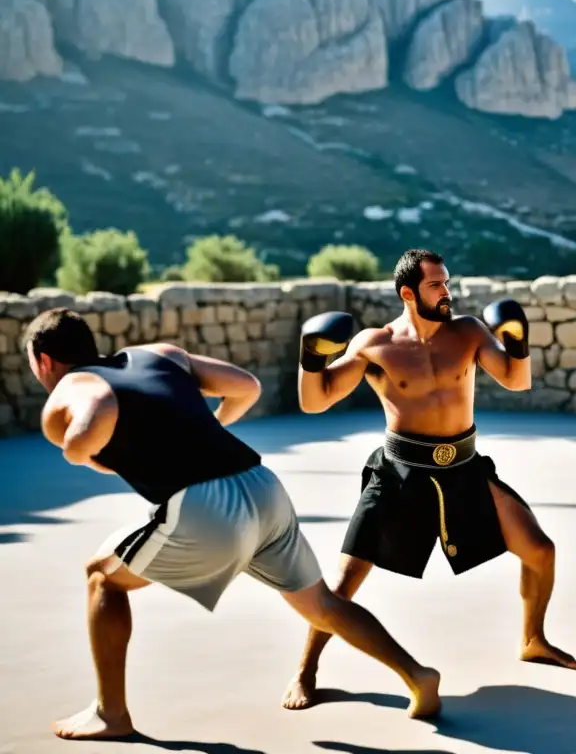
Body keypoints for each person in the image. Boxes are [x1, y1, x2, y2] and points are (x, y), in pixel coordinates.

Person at [22, 308, 441, 741]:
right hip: (260, 485)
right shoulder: (160, 354)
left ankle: (111, 714)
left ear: (44, 361)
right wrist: (209, 427)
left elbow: (83, 432)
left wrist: (80, 453)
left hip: (206, 508)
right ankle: (417, 674)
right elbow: (245, 387)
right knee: (321, 605)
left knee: (101, 577)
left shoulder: (72, 386)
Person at [280, 248, 576, 711]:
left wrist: (518, 343)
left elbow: (515, 380)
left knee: (540, 550)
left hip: (464, 467)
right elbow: (315, 402)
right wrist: (310, 358)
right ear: (408, 293)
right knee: (344, 583)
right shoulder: (375, 344)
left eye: (447, 283)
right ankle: (306, 671)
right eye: (436, 285)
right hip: (400, 473)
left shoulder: (467, 332)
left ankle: (534, 639)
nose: (448, 292)